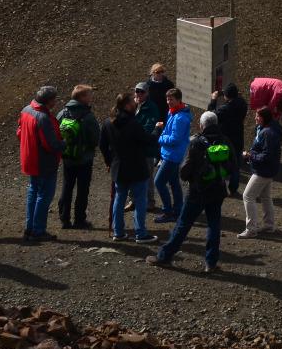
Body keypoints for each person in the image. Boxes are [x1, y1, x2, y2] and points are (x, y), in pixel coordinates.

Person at [148, 112, 232, 272]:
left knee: (183, 224)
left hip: (197, 191)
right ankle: (211, 263)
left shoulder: (197, 143)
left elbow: (185, 170)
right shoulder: (225, 141)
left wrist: (188, 177)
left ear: (202, 125)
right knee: (214, 225)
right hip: (218, 190)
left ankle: (164, 256)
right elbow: (233, 165)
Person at [101, 91, 158, 244]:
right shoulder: (133, 124)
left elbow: (102, 145)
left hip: (118, 168)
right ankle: (140, 233)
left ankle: (118, 232)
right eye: (132, 101)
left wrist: (109, 161)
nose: (135, 102)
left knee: (119, 199)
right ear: (127, 105)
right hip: (137, 168)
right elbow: (148, 140)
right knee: (140, 201)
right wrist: (157, 130)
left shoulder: (108, 122)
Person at [18, 86, 62, 241]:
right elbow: (50, 145)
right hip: (43, 162)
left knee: (33, 192)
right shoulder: (43, 117)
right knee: (44, 195)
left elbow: (19, 132)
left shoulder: (26, 110)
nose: (56, 102)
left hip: (29, 158)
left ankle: (30, 227)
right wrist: (65, 144)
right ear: (49, 101)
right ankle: (38, 230)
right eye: (54, 99)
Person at [57, 85, 100, 230]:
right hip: (84, 158)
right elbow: (95, 139)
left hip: (67, 157)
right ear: (81, 98)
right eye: (89, 95)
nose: (91, 98)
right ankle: (79, 219)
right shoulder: (88, 116)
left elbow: (56, 132)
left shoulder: (62, 113)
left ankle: (64, 219)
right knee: (82, 189)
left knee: (67, 186)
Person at [239, 106, 282, 238]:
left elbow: (266, 156)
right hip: (269, 169)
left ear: (264, 118)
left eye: (257, 116)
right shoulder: (269, 129)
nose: (255, 118)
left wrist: (250, 156)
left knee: (247, 196)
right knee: (265, 197)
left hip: (263, 170)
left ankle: (251, 229)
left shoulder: (267, 133)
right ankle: (269, 225)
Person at [154, 87, 192, 222]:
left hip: (172, 156)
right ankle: (178, 210)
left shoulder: (180, 118)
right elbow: (171, 133)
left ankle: (167, 212)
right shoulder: (174, 112)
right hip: (171, 154)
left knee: (158, 182)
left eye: (171, 99)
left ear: (179, 100)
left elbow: (174, 139)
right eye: (167, 99)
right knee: (174, 183)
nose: (168, 102)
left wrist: (160, 137)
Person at [212, 84, 248, 196]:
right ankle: (233, 189)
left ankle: (220, 187)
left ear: (227, 96)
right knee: (236, 166)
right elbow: (240, 99)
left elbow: (211, 116)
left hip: (225, 140)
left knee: (220, 164)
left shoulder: (224, 109)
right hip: (238, 138)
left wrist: (213, 100)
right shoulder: (243, 104)